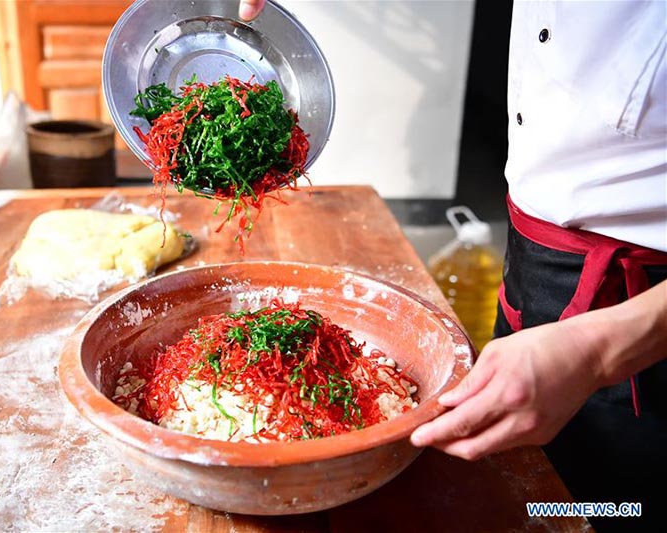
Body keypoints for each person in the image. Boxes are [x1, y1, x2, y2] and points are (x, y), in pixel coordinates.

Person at [241, 1, 666, 530]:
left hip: (643, 317)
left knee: (616, 509)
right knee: (529, 494)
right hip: (534, 257)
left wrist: (596, 351)